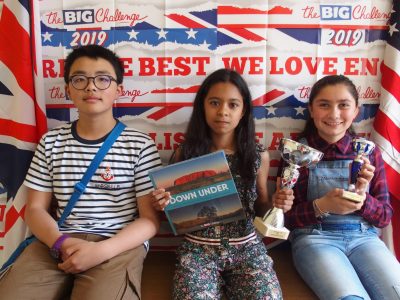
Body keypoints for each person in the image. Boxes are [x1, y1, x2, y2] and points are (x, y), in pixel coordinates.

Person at [0, 45, 162, 299]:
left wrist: (101, 251)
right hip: (57, 240)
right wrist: (60, 242)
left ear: (118, 90)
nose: (91, 87)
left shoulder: (140, 145)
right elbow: (35, 209)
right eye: (79, 79)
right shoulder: (50, 142)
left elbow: (149, 220)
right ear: (68, 89)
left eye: (102, 79)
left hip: (116, 245)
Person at [152, 68, 293, 299]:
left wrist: (277, 206)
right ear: (202, 107)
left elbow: (261, 206)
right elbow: (175, 215)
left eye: (233, 105)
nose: (223, 112)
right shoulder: (184, 154)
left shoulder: (258, 155)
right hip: (198, 251)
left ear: (243, 110)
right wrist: (163, 206)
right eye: (215, 103)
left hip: (247, 250)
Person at [282, 75, 400, 300]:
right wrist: (321, 205)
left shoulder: (369, 153)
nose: (334, 114)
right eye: (324, 105)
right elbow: (285, 220)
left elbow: (384, 217)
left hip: (365, 238)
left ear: (356, 111)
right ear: (312, 110)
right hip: (314, 238)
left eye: (343, 105)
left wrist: (362, 199)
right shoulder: (297, 152)